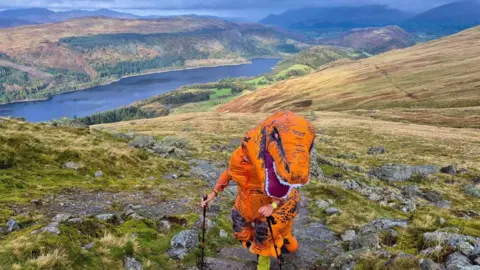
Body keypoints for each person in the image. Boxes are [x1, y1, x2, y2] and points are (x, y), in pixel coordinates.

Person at [201, 111, 316, 270]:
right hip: (246, 204)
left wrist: (272, 207)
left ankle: (269, 257)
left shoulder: (269, 172)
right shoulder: (239, 158)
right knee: (240, 229)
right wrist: (213, 194)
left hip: (271, 209)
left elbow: (287, 196)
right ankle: (274, 242)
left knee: (265, 236)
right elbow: (228, 174)